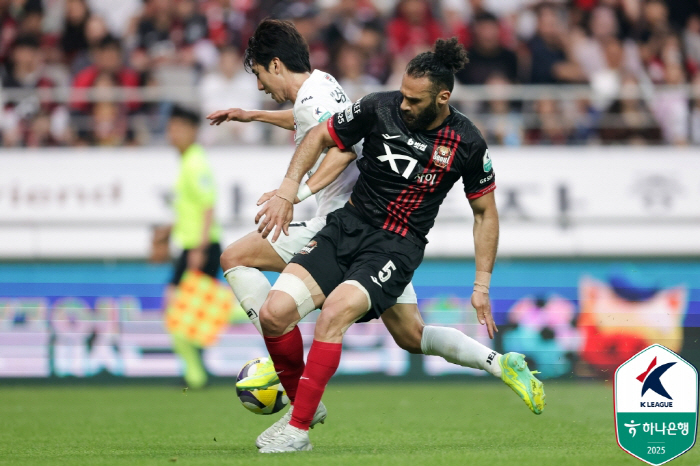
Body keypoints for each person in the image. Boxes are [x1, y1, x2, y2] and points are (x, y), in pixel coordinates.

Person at [253, 38, 545, 453]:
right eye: (403, 95)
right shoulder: (380, 106)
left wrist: (481, 285)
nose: (404, 105)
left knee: (334, 314)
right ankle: (499, 364)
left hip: (394, 246)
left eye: (414, 100)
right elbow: (319, 135)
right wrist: (288, 189)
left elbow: (485, 214)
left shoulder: (467, 142)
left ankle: (298, 429)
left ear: (443, 98)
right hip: (347, 226)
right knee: (275, 314)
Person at [161, 105, 222, 388]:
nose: (171, 134)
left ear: (192, 131)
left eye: (177, 128)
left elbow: (208, 206)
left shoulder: (196, 162)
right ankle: (195, 374)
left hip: (200, 247)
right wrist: (168, 233)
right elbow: (191, 209)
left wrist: (199, 248)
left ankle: (194, 375)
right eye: (170, 128)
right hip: (193, 245)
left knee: (177, 309)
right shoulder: (188, 161)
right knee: (188, 313)